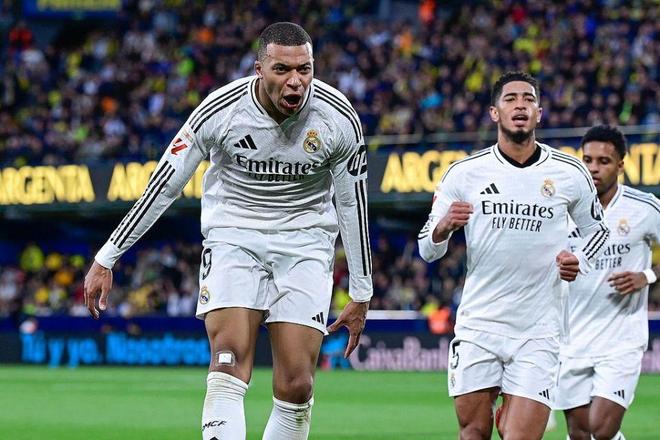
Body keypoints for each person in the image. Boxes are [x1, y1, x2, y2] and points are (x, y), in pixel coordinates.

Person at [83, 22, 372, 440]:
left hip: (306, 242)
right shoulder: (221, 110)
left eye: (304, 69)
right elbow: (164, 184)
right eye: (282, 70)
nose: (295, 81)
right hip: (234, 236)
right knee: (228, 359)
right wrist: (107, 256)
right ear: (259, 69)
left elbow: (352, 204)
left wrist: (361, 291)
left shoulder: (338, 118)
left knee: (297, 385)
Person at [417, 71, 611, 440]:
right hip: (479, 326)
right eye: (510, 99)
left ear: (539, 113)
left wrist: (579, 261)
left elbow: (597, 233)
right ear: (494, 112)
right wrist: (443, 227)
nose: (520, 105)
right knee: (473, 432)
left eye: (528, 99)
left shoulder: (569, 172)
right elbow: (426, 248)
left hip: (539, 331)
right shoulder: (464, 173)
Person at [555, 125, 660, 440]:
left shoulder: (644, 208)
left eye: (603, 161)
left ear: (621, 165)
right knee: (579, 434)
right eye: (587, 160)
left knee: (601, 429)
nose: (593, 168)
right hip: (571, 338)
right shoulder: (562, 209)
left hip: (621, 339)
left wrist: (647, 276)